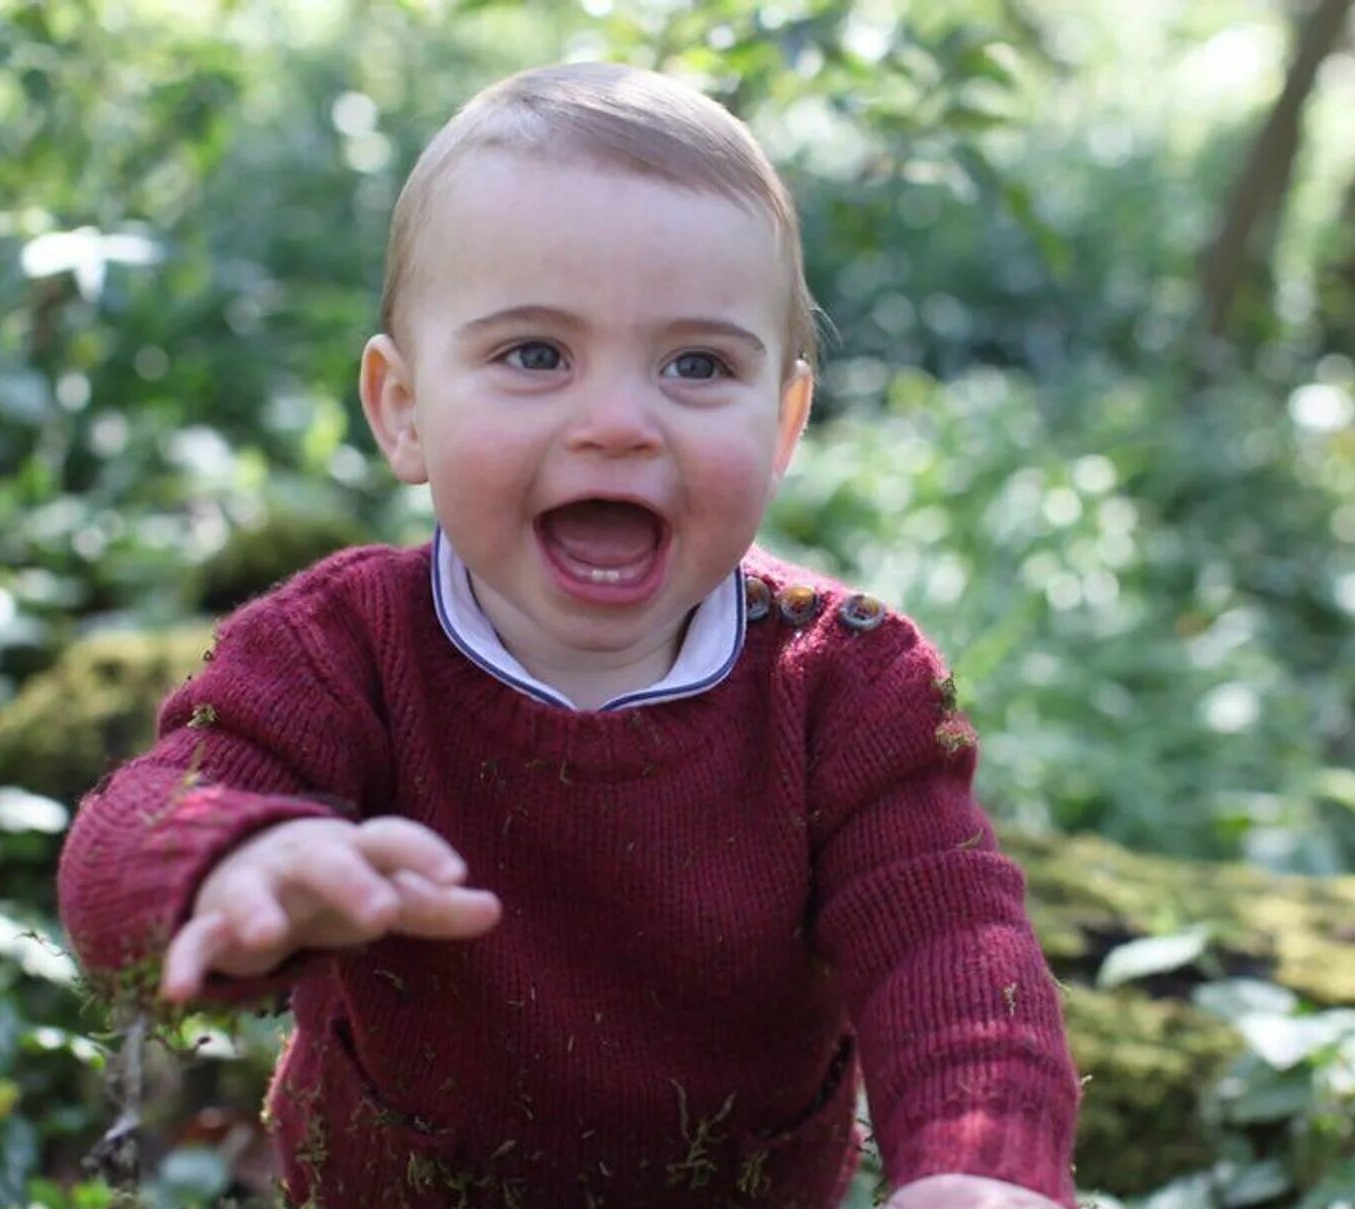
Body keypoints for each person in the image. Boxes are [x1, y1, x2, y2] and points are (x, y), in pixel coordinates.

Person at [58, 61, 1080, 1209]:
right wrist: (229, 857)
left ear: (784, 418)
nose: (616, 425)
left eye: (698, 365)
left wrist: (982, 1169)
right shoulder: (337, 648)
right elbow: (129, 831)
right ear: (404, 410)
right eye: (535, 354)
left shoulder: (845, 683)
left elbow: (949, 942)